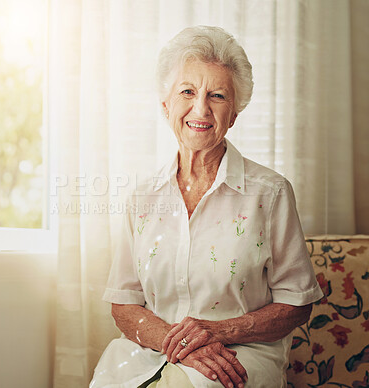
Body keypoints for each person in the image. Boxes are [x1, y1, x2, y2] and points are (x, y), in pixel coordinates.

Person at [90, 25, 323, 388]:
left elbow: (297, 303)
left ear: (234, 114)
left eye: (217, 95)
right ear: (166, 105)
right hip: (148, 354)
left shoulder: (270, 193)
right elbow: (123, 302)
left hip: (237, 356)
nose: (201, 108)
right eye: (187, 91)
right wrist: (180, 344)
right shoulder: (142, 198)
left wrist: (219, 331)